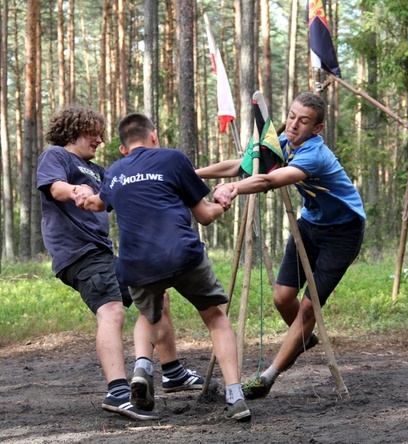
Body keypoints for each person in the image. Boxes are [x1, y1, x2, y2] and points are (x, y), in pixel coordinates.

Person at [37, 106, 205, 422]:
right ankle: (117, 392)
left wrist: (223, 171)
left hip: (103, 253)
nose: (100, 140)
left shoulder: (100, 169)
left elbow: (143, 183)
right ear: (75, 130)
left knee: (157, 295)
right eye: (94, 133)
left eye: (101, 134)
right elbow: (56, 188)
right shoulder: (56, 156)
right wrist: (75, 189)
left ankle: (172, 372)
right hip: (79, 254)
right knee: (111, 310)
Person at [81, 112, 251, 422]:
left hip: (136, 262)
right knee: (215, 317)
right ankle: (235, 395)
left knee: (149, 314)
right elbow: (204, 215)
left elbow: (97, 202)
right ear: (154, 136)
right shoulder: (173, 159)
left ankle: (142, 368)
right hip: (181, 254)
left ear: (123, 148)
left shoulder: (115, 172)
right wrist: (223, 204)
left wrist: (82, 195)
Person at [197, 92, 366, 399]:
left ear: (317, 129)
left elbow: (268, 181)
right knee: (282, 298)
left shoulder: (315, 154)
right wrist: (194, 174)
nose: (293, 125)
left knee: (307, 307)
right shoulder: (285, 144)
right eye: (291, 116)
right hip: (311, 223)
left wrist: (233, 189)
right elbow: (243, 165)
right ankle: (304, 337)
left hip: (344, 231)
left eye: (303, 121)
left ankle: (267, 376)